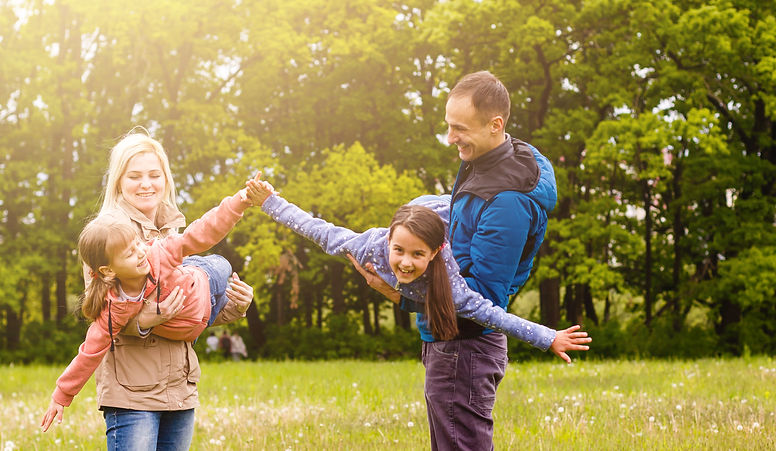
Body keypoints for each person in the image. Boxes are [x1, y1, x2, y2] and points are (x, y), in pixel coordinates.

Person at [355, 71, 558, 449]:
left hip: (464, 345)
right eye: (449, 126)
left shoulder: (507, 202)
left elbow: (481, 297)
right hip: (450, 339)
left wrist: (398, 294)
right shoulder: (488, 161)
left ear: (496, 125)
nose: (451, 138)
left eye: (459, 128)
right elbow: (461, 227)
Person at [37, 131, 254, 451]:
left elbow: (191, 310)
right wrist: (146, 319)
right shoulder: (104, 240)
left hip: (179, 390)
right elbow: (102, 323)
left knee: (212, 265)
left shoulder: (171, 236)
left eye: (155, 175)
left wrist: (236, 306)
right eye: (135, 176)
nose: (146, 183)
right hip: (132, 394)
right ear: (118, 182)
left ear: (166, 178)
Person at [246, 178, 589, 361]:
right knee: (419, 211)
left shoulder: (451, 282)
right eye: (399, 251)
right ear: (389, 240)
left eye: (417, 255)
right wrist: (269, 201)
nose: (405, 263)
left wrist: (549, 337)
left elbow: (494, 315)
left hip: (447, 213)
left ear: (435, 254)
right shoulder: (368, 247)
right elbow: (317, 229)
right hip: (419, 209)